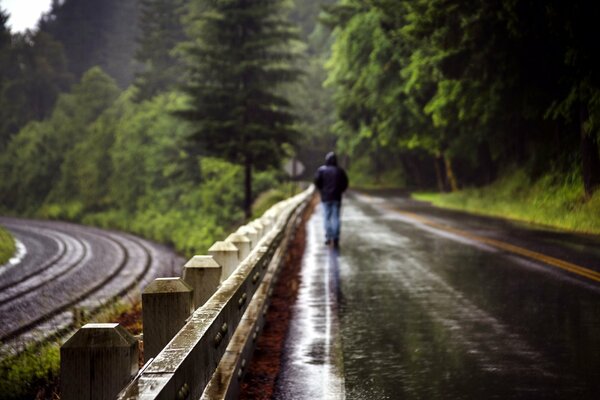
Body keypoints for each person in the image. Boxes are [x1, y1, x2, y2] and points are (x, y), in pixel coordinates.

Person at [314, 152, 349, 248]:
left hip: (325, 198)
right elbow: (345, 183)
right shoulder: (340, 171)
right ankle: (336, 237)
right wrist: (340, 190)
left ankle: (329, 237)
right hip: (337, 197)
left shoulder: (321, 170)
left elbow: (317, 182)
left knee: (326, 217)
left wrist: (322, 190)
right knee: (336, 217)